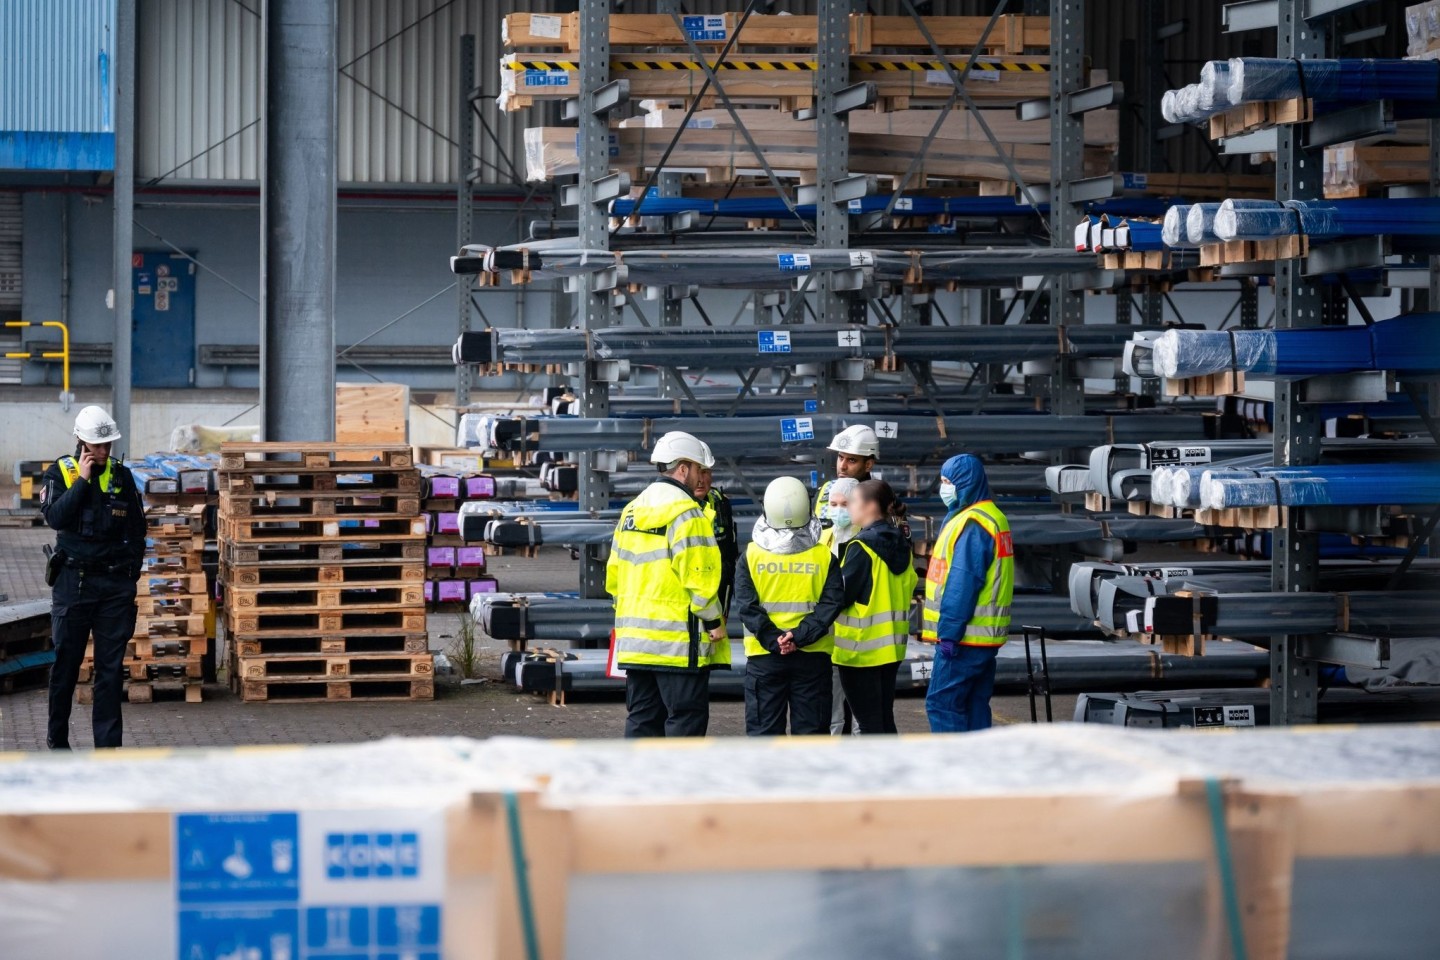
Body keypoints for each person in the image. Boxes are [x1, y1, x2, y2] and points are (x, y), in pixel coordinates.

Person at [606, 430, 728, 738]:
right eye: (700, 469)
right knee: (685, 720)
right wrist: (714, 621)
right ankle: (677, 786)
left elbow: (614, 575)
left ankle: (637, 785)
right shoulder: (688, 515)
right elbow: (700, 579)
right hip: (678, 643)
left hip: (635, 641)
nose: (702, 477)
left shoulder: (631, 510)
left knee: (642, 719)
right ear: (684, 469)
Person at [40, 405, 146, 750]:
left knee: (110, 671)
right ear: (80, 441)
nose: (103, 451)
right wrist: (83, 481)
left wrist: (130, 575)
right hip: (74, 583)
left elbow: (137, 530)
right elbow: (55, 517)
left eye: (107, 446)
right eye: (96, 446)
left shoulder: (121, 475)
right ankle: (57, 743)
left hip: (113, 586)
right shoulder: (61, 474)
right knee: (65, 668)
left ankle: (108, 750)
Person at [793, 479, 916, 735]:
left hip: (860, 651)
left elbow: (842, 594)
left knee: (870, 725)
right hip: (891, 649)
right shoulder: (901, 541)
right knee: (883, 720)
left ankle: (877, 774)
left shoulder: (861, 547)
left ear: (870, 506)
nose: (848, 510)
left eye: (853, 503)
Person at [733, 477, 841, 736]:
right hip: (813, 656)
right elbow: (832, 603)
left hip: (764, 657)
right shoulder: (824, 557)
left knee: (764, 735)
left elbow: (747, 607)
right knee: (812, 735)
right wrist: (799, 637)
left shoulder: (750, 556)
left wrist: (774, 639)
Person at [922, 454, 1014, 733]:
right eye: (942, 481)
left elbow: (962, 584)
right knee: (974, 705)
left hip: (963, 639)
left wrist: (949, 633)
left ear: (965, 484)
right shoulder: (992, 517)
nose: (944, 488)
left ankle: (955, 772)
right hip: (983, 640)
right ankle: (979, 770)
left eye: (949, 481)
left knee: (942, 704)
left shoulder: (973, 524)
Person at [820, 476, 860, 734]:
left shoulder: (865, 539)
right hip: (830, 635)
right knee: (832, 710)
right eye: (832, 504)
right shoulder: (822, 538)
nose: (837, 510)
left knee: (860, 712)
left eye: (843, 504)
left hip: (859, 637)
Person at [694, 466, 738, 619]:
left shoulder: (721, 502)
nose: (700, 480)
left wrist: (724, 605)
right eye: (696, 473)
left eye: (704, 472)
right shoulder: (673, 506)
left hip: (718, 591)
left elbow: (729, 558)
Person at [812, 424, 879, 518]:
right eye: (840, 457)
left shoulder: (879, 499)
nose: (842, 466)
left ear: (868, 465)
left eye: (852, 460)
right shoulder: (825, 491)